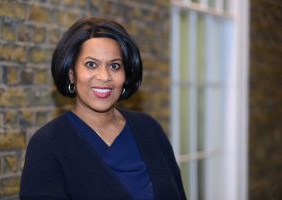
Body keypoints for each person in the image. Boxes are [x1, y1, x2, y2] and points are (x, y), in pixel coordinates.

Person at [20, 17, 187, 200]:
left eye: (115, 66)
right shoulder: (47, 144)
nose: (104, 76)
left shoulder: (149, 129)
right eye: (91, 64)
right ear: (71, 74)